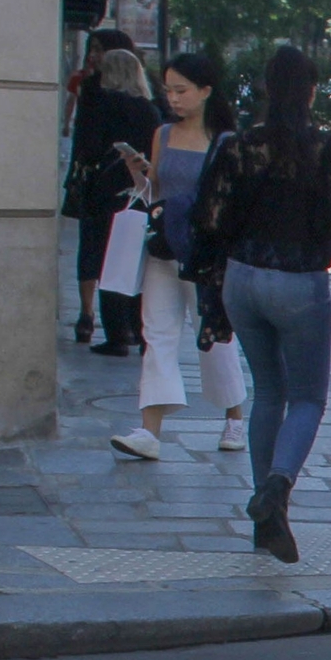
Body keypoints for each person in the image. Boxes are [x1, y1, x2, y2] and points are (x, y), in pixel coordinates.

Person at [192, 44, 331, 564]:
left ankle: (266, 517)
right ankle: (277, 488)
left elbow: (210, 218)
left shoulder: (237, 145)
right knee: (308, 397)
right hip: (298, 281)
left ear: (266, 89)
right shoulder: (324, 148)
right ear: (311, 92)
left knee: (268, 393)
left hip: (242, 278)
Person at [108, 52, 249, 460]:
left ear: (205, 92)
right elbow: (154, 189)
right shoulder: (163, 134)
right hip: (164, 248)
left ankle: (234, 417)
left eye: (182, 90)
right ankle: (149, 430)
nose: (173, 98)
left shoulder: (224, 141)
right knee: (157, 334)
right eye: (168, 90)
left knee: (214, 337)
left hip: (204, 254)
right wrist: (137, 170)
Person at [73, 41, 161, 356]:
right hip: (140, 190)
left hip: (104, 190)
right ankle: (139, 330)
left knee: (105, 258)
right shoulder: (149, 109)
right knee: (136, 260)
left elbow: (88, 146)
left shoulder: (101, 103)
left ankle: (116, 334)